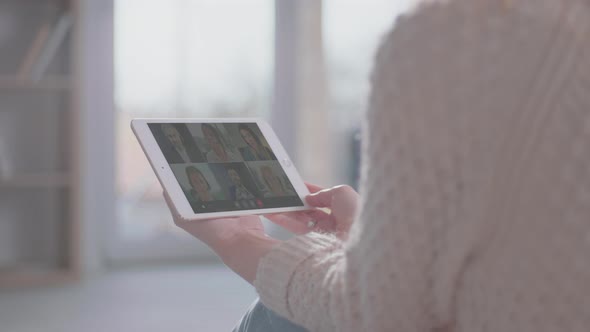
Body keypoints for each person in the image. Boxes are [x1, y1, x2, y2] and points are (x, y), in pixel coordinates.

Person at [163, 0, 590, 331]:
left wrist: (238, 240)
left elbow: (378, 316)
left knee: (277, 317)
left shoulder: (454, 39)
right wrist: (379, 241)